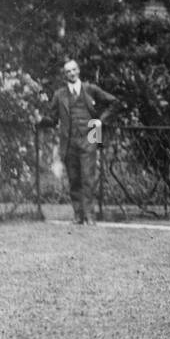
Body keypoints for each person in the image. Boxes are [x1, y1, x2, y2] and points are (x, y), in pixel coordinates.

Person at [43, 59, 118, 225]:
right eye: (68, 71)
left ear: (78, 71)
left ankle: (89, 216)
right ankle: (78, 216)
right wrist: (38, 119)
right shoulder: (59, 94)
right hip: (69, 141)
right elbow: (52, 118)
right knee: (74, 179)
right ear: (65, 75)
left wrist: (100, 121)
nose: (71, 73)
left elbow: (113, 102)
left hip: (91, 136)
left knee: (88, 178)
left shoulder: (90, 89)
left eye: (74, 69)